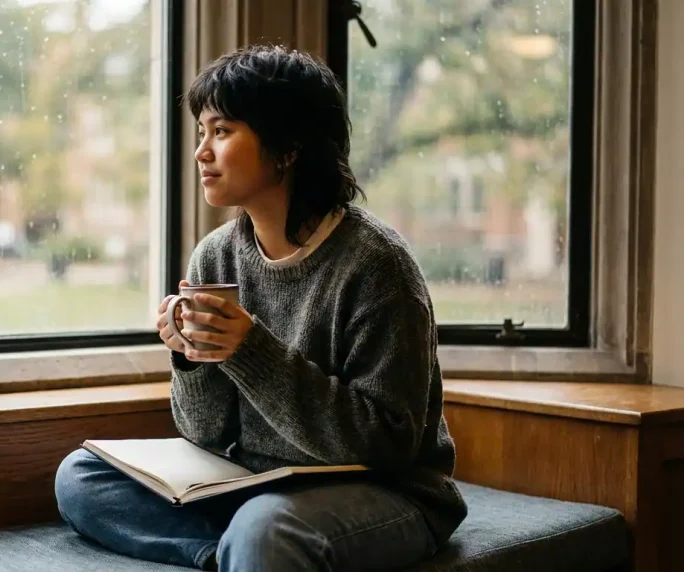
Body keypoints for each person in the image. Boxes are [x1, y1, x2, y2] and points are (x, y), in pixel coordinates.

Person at [54, 44, 468, 571]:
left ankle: (250, 547)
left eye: (222, 131)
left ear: (288, 148)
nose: (202, 151)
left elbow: (388, 444)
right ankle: (230, 555)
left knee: (266, 527)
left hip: (386, 492)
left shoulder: (376, 266)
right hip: (256, 485)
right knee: (82, 476)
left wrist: (250, 350)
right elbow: (205, 435)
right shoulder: (216, 256)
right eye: (201, 132)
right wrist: (190, 357)